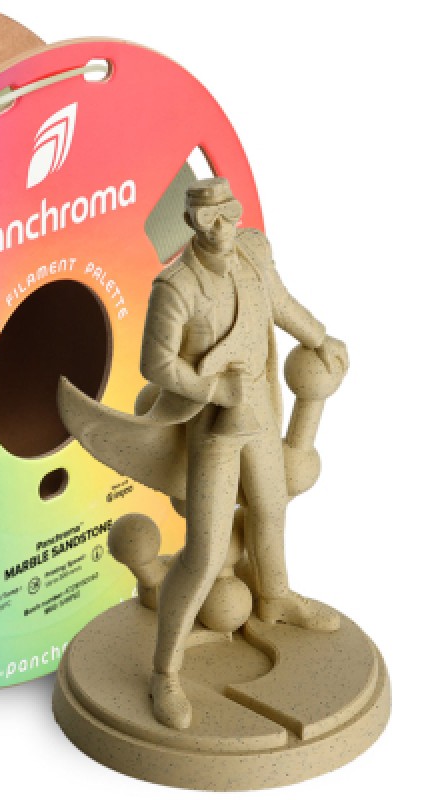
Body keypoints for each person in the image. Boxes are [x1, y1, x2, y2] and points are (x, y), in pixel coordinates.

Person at [139, 177, 348, 729]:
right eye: (208, 219)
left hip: (260, 413)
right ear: (190, 222)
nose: (221, 228)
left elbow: (280, 303)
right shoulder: (176, 287)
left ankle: (275, 598)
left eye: (228, 214)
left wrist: (321, 338)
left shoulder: (253, 253)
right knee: (204, 555)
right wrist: (211, 388)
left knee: (271, 509)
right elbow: (156, 364)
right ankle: (165, 672)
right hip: (213, 427)